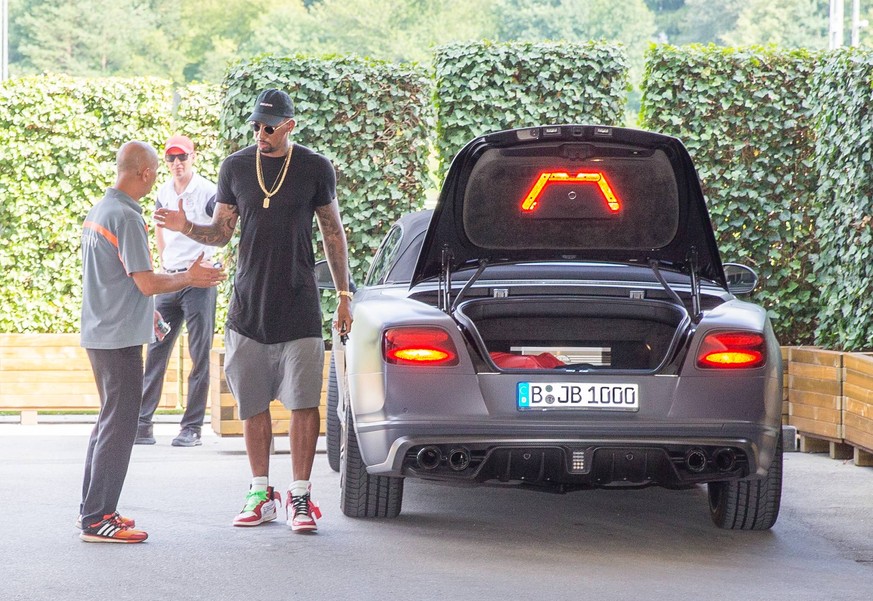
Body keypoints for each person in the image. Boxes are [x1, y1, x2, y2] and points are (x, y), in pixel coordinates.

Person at [155, 89, 353, 534]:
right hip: (247, 305)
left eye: (269, 127)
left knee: (303, 403)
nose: (260, 134)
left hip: (300, 301)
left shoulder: (315, 167)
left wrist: (343, 295)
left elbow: (332, 233)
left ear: (289, 126)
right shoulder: (236, 167)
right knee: (251, 403)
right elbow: (222, 233)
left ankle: (300, 496)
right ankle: (261, 492)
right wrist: (184, 226)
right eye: (256, 127)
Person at [78, 141, 225, 543]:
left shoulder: (100, 210)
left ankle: (94, 511)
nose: (159, 177)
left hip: (102, 333)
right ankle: (96, 521)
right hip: (118, 338)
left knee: (110, 422)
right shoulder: (125, 216)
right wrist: (189, 279)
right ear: (144, 173)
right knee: (119, 426)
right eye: (158, 171)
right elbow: (146, 282)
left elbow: (121, 280)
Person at [135, 135, 219, 447]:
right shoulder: (163, 191)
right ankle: (143, 424)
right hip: (170, 280)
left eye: (182, 157)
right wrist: (163, 264)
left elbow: (222, 231)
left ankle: (192, 428)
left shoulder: (209, 191)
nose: (177, 163)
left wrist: (208, 261)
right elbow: (158, 228)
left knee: (199, 355)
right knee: (155, 351)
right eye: (171, 159)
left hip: (198, 281)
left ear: (193, 157)